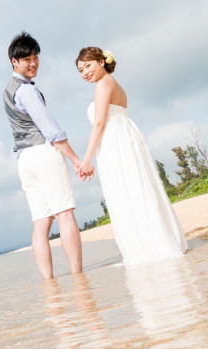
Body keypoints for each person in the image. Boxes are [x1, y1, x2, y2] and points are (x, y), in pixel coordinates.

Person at [75, 46, 188, 265]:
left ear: (101, 62)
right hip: (121, 137)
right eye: (80, 70)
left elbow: (99, 123)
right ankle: (157, 243)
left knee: (128, 191)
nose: (85, 72)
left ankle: (149, 250)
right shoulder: (113, 83)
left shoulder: (103, 84)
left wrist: (87, 158)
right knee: (137, 188)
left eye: (88, 66)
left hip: (115, 142)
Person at [3, 32, 91, 279]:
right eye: (26, 59)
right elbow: (51, 130)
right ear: (14, 61)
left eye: (35, 57)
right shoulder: (27, 91)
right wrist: (76, 159)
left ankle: (49, 284)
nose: (33, 63)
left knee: (41, 223)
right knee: (64, 214)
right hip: (42, 153)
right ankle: (78, 277)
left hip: (24, 159)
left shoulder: (7, 91)